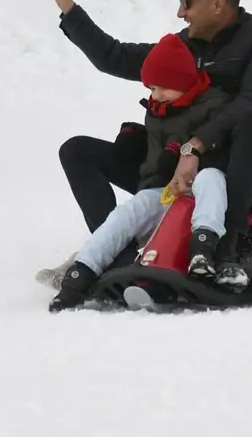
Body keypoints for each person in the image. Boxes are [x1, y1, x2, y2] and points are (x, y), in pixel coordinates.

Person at [36, 0, 252, 289]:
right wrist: (63, 0)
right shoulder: (183, 45)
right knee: (77, 151)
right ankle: (121, 260)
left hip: (236, 170)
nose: (180, 12)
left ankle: (227, 250)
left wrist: (197, 146)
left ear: (218, 3)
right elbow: (113, 56)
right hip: (174, 168)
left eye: (187, 2)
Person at [48, 33, 233, 312]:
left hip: (208, 186)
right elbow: (157, 162)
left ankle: (203, 252)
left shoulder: (216, 105)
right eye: (151, 88)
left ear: (182, 82)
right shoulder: (159, 108)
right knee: (132, 210)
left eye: (161, 88)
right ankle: (83, 271)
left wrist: (183, 151)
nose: (154, 95)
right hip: (167, 188)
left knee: (210, 178)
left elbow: (223, 143)